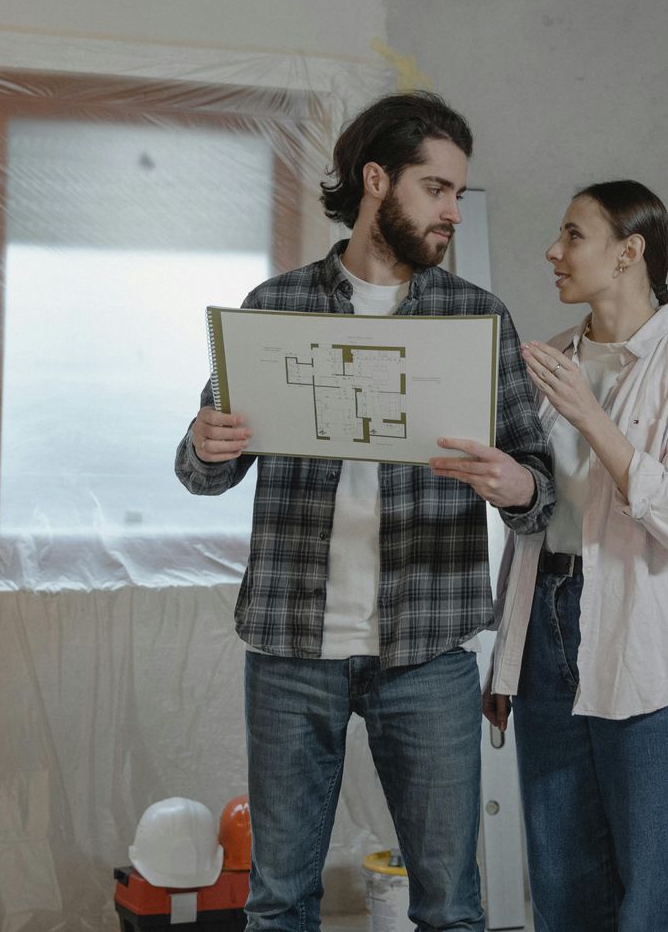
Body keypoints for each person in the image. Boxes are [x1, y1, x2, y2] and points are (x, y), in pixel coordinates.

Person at [176, 91, 554, 932]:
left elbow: (541, 495)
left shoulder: (476, 317)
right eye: (436, 188)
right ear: (376, 180)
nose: (454, 210)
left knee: (451, 908)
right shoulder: (275, 307)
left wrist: (515, 486)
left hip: (425, 655)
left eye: (459, 192)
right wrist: (207, 445)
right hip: (289, 646)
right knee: (277, 904)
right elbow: (201, 474)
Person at [484, 179, 668, 932]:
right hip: (544, 634)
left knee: (658, 897)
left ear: (630, 253)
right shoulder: (548, 362)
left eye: (572, 235)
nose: (552, 252)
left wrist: (593, 418)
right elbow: (536, 520)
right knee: (562, 890)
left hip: (649, 641)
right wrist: (507, 654)